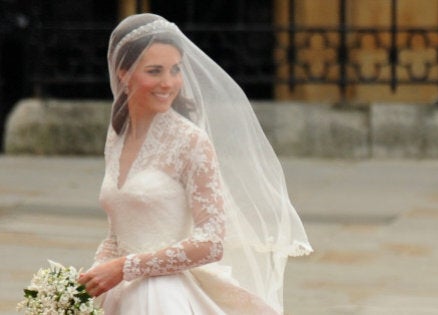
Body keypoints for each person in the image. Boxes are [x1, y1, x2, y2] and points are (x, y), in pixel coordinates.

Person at [78, 13, 312, 314]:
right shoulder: (118, 133)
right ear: (123, 73)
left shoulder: (190, 141)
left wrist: (125, 267)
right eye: (154, 71)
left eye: (175, 70)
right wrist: (96, 274)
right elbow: (117, 231)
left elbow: (211, 243)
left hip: (163, 295)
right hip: (119, 291)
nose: (168, 82)